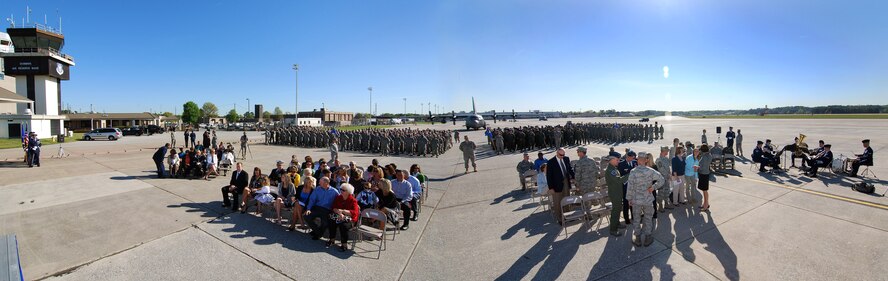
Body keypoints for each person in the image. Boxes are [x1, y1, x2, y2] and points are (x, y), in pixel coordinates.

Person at [626, 152, 664, 247]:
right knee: (648, 218)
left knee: (637, 218)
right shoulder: (651, 171)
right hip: (647, 199)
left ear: (638, 160)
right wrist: (654, 187)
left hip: (636, 200)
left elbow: (629, 186)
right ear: (646, 160)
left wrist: (629, 199)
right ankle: (647, 237)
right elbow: (662, 180)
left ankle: (637, 238)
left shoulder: (633, 171)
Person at [327, 183, 360, 251]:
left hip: (351, 219)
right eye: (341, 189)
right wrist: (339, 213)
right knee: (331, 221)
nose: (341, 191)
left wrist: (343, 211)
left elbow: (354, 213)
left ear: (348, 192)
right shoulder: (339, 197)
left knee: (343, 226)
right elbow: (333, 207)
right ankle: (332, 239)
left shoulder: (353, 200)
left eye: (343, 190)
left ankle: (344, 245)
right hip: (339, 216)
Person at [545, 148, 574, 224]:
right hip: (556, 185)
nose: (562, 156)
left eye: (563, 154)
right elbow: (549, 176)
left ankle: (568, 215)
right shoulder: (551, 162)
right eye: (561, 155)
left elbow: (569, 169)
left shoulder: (566, 159)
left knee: (567, 199)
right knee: (558, 202)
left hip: (566, 182)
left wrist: (573, 177)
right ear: (557, 153)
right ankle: (560, 219)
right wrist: (551, 187)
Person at [604, 156, 628, 236]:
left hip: (617, 192)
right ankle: (613, 229)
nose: (618, 161)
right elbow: (618, 180)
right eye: (617, 160)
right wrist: (629, 174)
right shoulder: (611, 170)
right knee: (615, 211)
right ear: (611, 160)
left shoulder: (613, 168)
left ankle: (617, 223)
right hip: (615, 193)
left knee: (617, 209)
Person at [618, 151, 637, 224]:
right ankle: (626, 219)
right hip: (625, 186)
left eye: (633, 157)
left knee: (633, 202)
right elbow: (620, 176)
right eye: (630, 157)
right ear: (627, 156)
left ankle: (633, 216)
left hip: (634, 186)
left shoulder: (635, 162)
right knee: (626, 203)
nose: (632, 159)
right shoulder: (621, 164)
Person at [654, 147, 672, 212]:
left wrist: (669, 174)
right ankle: (660, 206)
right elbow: (661, 169)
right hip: (661, 179)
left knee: (667, 191)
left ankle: (666, 204)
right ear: (663, 151)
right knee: (661, 192)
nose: (667, 152)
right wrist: (667, 175)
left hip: (667, 178)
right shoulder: (659, 160)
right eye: (667, 151)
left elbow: (668, 168)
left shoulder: (666, 159)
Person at [698, 145, 712, 212]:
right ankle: (705, 203)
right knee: (705, 190)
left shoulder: (704, 157)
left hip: (703, 174)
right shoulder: (709, 155)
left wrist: (697, 168)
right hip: (706, 173)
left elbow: (702, 167)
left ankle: (705, 206)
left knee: (704, 190)